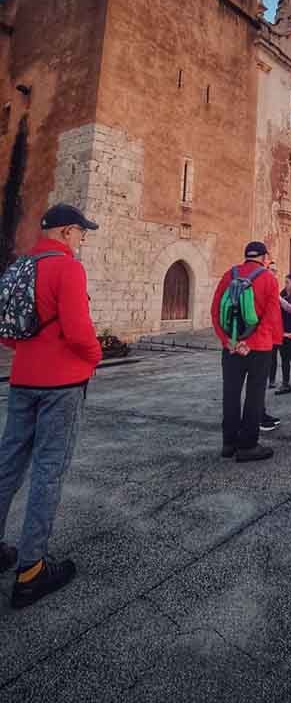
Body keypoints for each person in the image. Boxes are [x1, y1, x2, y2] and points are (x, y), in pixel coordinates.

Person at [0, 203, 102, 609]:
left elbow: (7, 329)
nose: (81, 240)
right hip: (61, 383)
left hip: (23, 378)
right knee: (48, 471)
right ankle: (31, 571)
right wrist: (94, 357)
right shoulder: (67, 268)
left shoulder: (20, 267)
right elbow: (78, 331)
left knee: (8, 463)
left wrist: (29, 352)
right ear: (66, 232)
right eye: (81, 233)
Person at [211, 241, 283, 460]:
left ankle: (229, 443)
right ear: (264, 257)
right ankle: (248, 446)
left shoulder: (229, 275)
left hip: (231, 347)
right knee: (254, 395)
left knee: (231, 394)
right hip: (259, 348)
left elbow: (215, 311)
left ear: (246, 256)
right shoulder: (268, 278)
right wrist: (250, 342)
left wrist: (228, 341)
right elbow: (271, 316)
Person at [275, 274, 291, 395]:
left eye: (287, 282)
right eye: (285, 282)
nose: (285, 285)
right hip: (283, 332)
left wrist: (280, 301)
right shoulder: (283, 294)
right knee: (284, 360)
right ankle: (285, 384)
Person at [267, 260, 280, 389]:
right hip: (264, 326)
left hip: (275, 327)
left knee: (273, 355)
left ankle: (272, 379)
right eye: (272, 270)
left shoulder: (276, 284)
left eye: (275, 271)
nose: (274, 273)